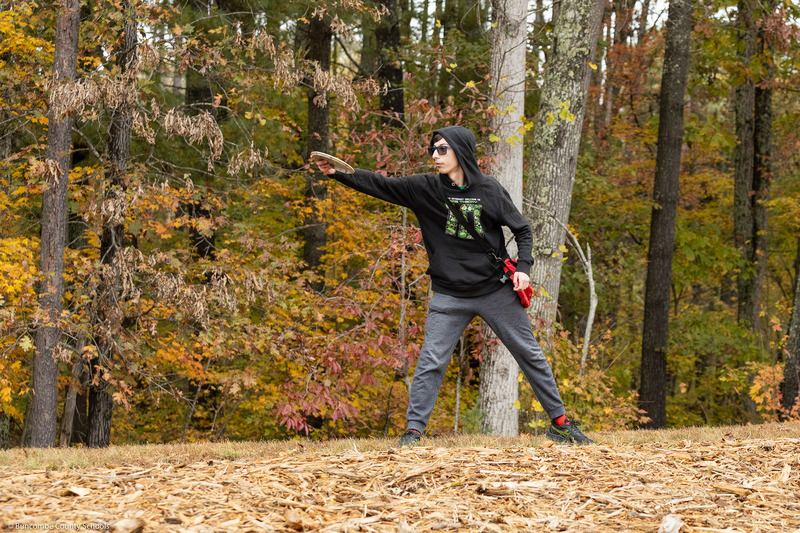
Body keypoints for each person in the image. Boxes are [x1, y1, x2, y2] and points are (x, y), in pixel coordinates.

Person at [313, 125, 594, 446]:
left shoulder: (490, 190)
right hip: (449, 295)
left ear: (461, 151)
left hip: (496, 290)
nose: (435, 155)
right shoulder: (424, 188)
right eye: (432, 149)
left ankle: (560, 424)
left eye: (442, 149)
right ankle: (414, 432)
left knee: (530, 355)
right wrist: (338, 173)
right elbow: (382, 185)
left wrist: (524, 268)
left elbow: (523, 230)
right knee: (431, 361)